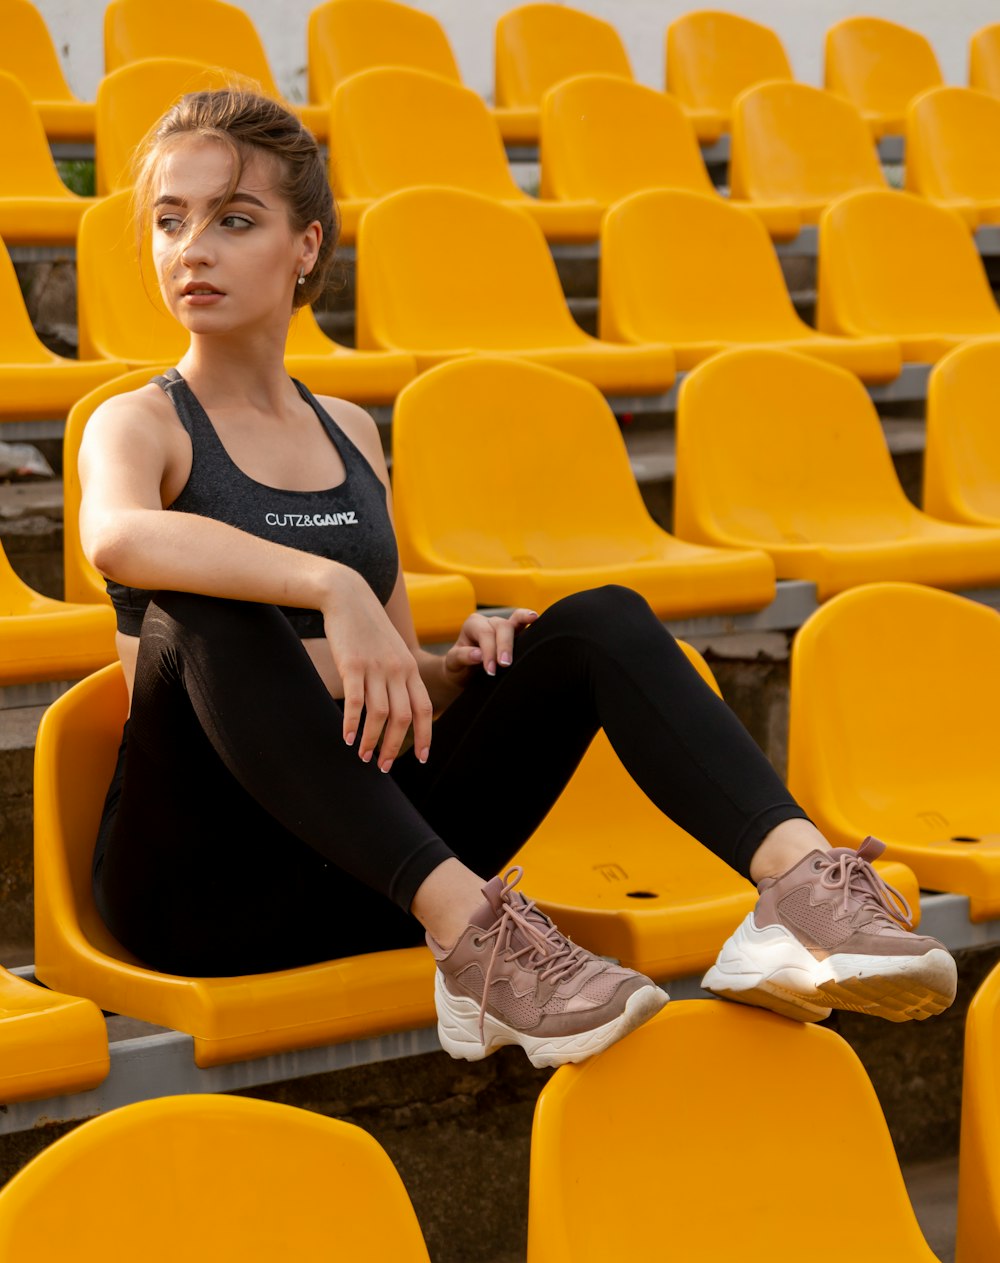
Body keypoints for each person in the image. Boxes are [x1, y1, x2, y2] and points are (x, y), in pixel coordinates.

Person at [78, 88, 956, 1071]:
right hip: (207, 886)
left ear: (306, 246)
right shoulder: (141, 424)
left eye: (233, 220)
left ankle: (798, 895)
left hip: (369, 865)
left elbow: (384, 685)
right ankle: (478, 944)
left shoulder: (351, 434)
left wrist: (450, 670)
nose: (191, 248)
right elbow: (114, 540)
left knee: (596, 624)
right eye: (169, 221)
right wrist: (330, 585)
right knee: (205, 602)